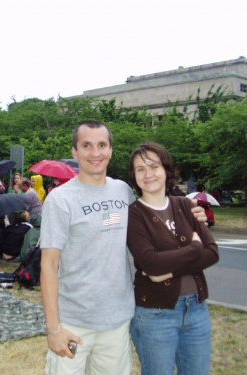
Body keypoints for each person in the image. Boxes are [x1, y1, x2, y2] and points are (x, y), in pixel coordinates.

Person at [41, 121, 208, 375]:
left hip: (117, 323)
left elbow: (157, 218)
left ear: (110, 150)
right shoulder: (60, 199)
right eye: (87, 145)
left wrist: (192, 214)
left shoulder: (123, 192)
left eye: (102, 145)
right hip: (73, 322)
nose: (95, 153)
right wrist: (54, 328)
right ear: (75, 152)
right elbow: (49, 265)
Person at [126, 141, 219, 375]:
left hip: (196, 309)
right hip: (155, 314)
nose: (148, 174)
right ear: (134, 176)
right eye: (140, 169)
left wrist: (166, 271)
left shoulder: (186, 205)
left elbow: (212, 252)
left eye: (154, 166)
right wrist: (193, 249)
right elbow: (150, 262)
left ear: (166, 170)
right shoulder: (134, 214)